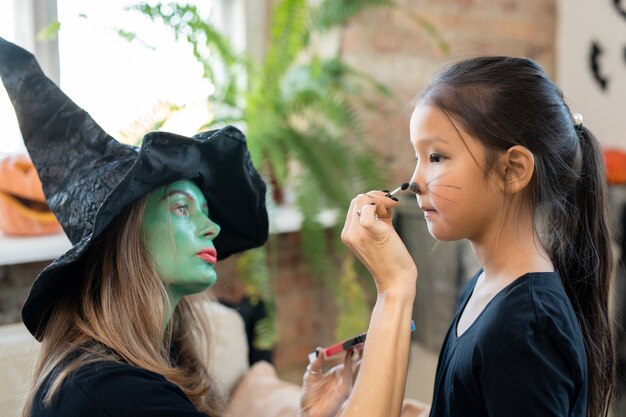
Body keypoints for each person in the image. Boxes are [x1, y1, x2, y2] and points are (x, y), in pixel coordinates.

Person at [0, 36, 419, 417]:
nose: (212, 228)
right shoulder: (108, 392)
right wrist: (394, 288)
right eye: (182, 209)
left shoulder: (146, 361)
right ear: (126, 237)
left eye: (205, 210)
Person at [322, 56, 615, 417]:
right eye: (418, 156)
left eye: (437, 156)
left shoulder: (527, 330)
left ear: (513, 171)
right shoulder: (483, 287)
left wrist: (393, 285)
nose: (413, 181)